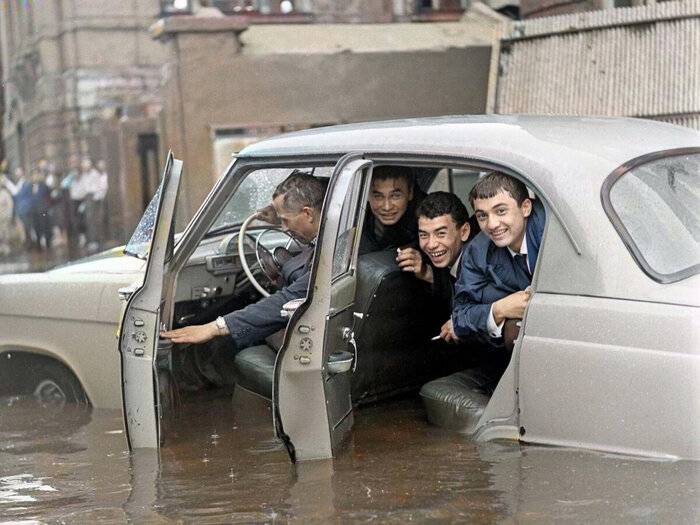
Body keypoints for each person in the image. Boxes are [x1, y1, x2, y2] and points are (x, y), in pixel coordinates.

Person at [160, 171, 327, 353]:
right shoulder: (333, 234)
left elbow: (288, 299)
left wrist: (214, 327)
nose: (284, 228)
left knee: (224, 348)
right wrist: (278, 217)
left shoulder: (330, 254)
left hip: (310, 336)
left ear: (308, 213)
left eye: (285, 220)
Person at [452, 173, 545, 351]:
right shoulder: (478, 251)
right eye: (482, 216)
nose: (492, 224)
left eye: (501, 211)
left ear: (525, 207)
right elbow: (460, 316)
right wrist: (500, 309)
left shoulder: (548, 231)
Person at [396, 191, 473, 344]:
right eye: (424, 235)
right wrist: (427, 273)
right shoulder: (445, 262)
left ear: (464, 232)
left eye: (441, 233)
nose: (431, 244)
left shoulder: (483, 264)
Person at [358, 166, 424, 254]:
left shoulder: (427, 224)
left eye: (395, 196)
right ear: (366, 195)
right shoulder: (351, 221)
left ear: (410, 193)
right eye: (378, 196)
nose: (387, 207)